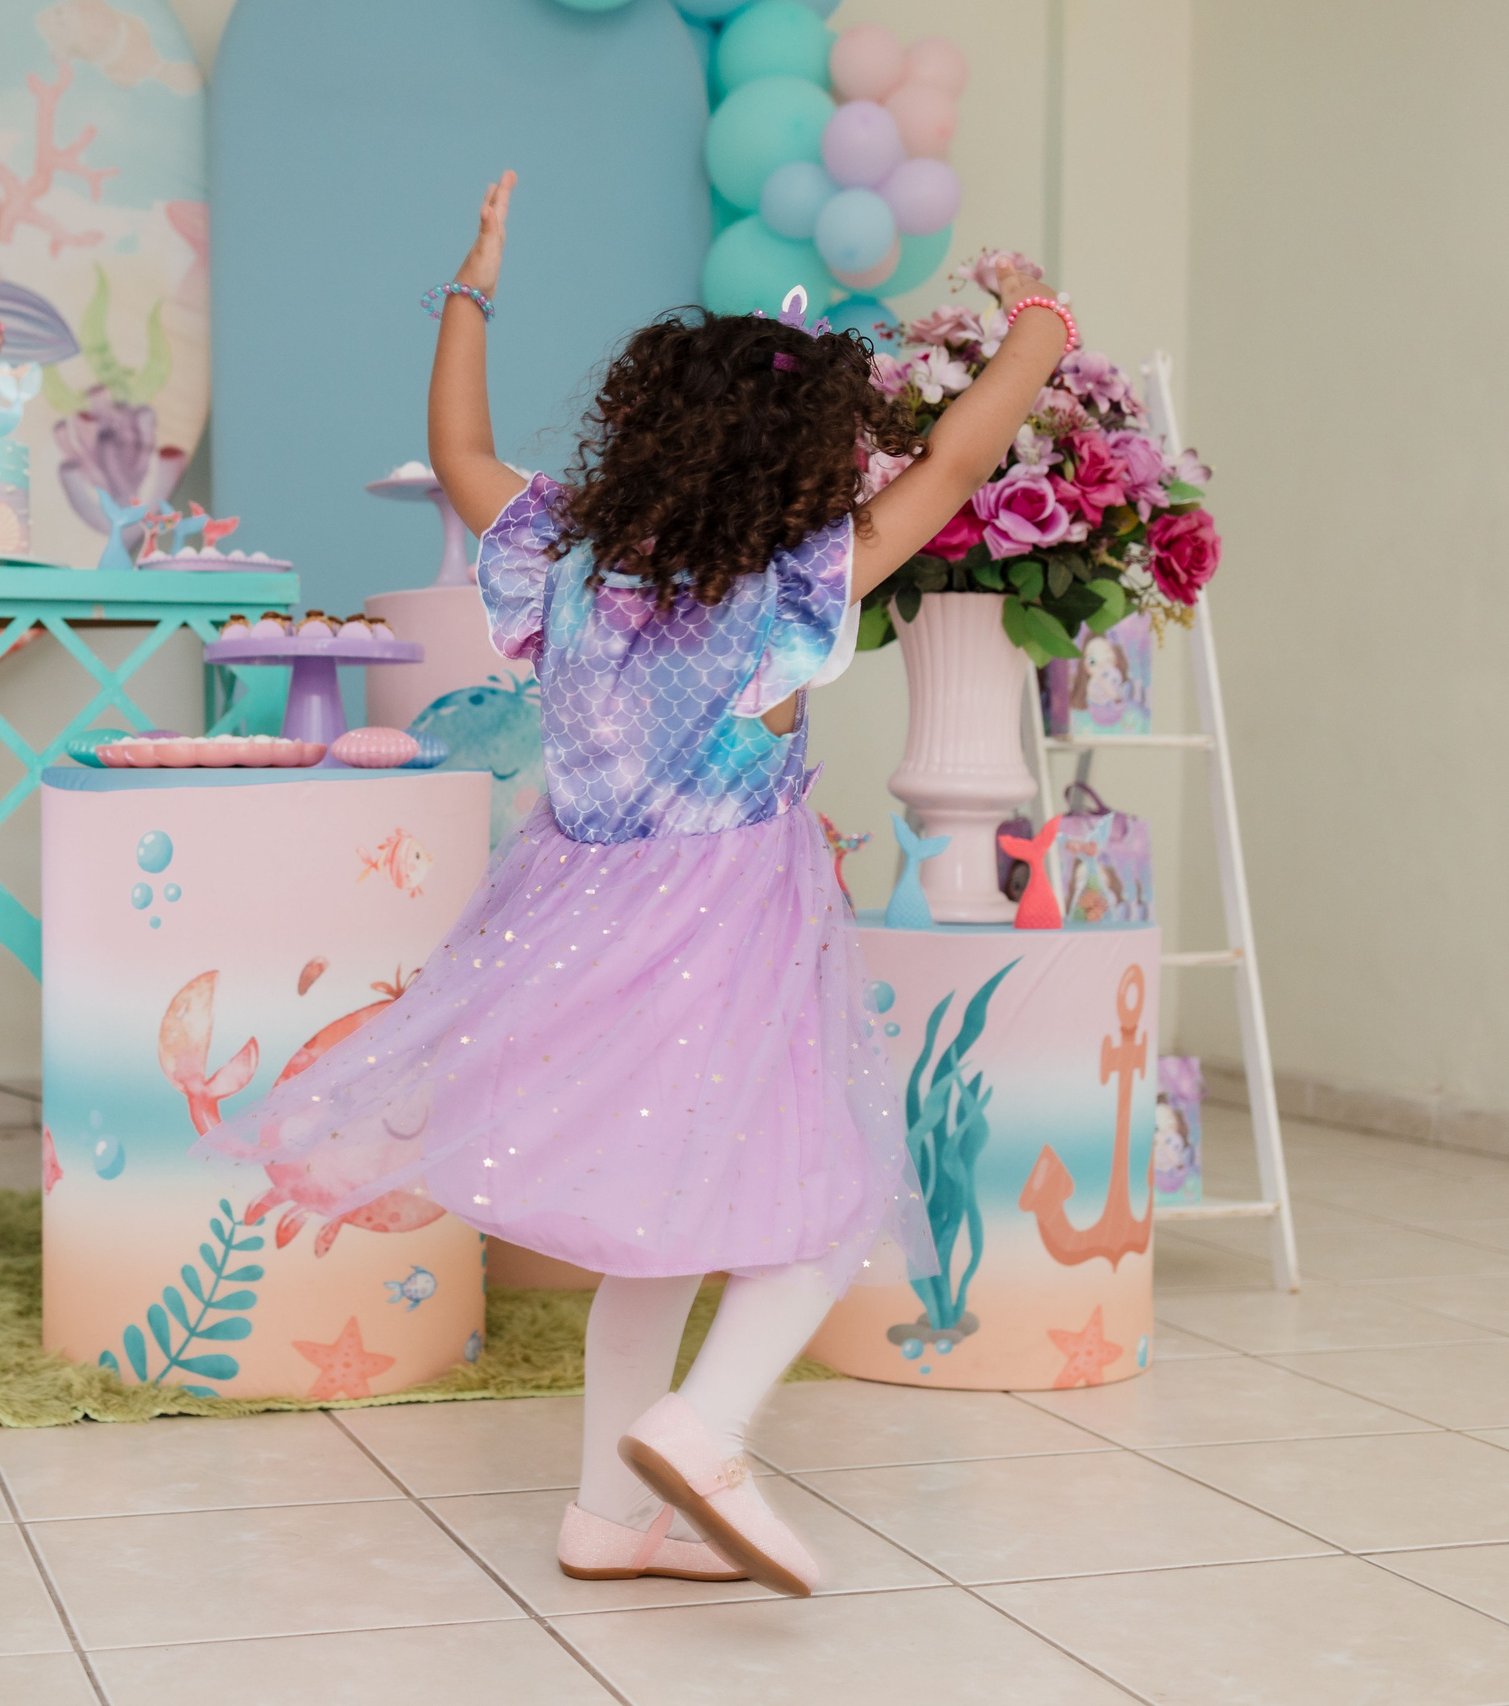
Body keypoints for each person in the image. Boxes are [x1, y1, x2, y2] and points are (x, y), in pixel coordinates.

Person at [199, 172, 1077, 1596]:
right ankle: (705, 1426)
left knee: (655, 1243)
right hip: (730, 932)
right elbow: (964, 462)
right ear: (800, 456)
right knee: (824, 1206)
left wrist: (471, 284)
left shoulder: (560, 552)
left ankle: (612, 1517)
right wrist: (1037, 328)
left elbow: (456, 442)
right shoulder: (808, 577)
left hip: (579, 928)